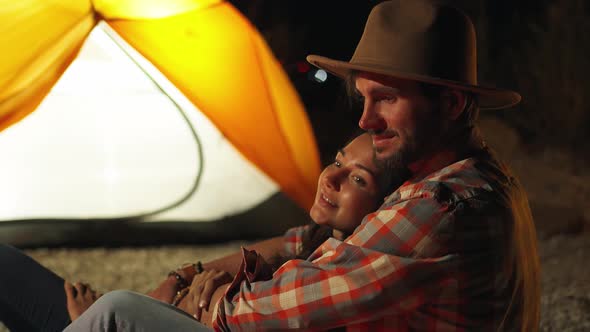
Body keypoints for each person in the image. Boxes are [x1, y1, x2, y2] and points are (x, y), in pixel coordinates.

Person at [63, 0, 541, 331]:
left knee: (116, 312)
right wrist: (191, 275)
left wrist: (196, 298)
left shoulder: (442, 208)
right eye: (364, 97)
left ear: (453, 103)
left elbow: (265, 310)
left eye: (387, 99)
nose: (365, 118)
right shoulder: (473, 174)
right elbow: (306, 243)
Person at [0, 133, 393, 331]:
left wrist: (207, 299)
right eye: (338, 160)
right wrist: (183, 277)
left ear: (383, 207)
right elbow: (269, 249)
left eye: (358, 179)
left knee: (116, 309)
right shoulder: (316, 238)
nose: (332, 177)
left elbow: (240, 313)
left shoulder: (358, 269)